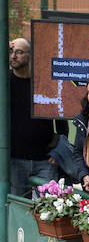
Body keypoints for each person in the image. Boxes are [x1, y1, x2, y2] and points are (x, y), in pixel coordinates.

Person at [9, 38, 68, 196]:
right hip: (14, 160)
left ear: (31, 54)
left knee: (48, 206)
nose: (13, 56)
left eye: (19, 52)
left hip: (45, 161)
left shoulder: (44, 83)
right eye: (11, 52)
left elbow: (61, 120)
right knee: (18, 206)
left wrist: (58, 153)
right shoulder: (5, 82)